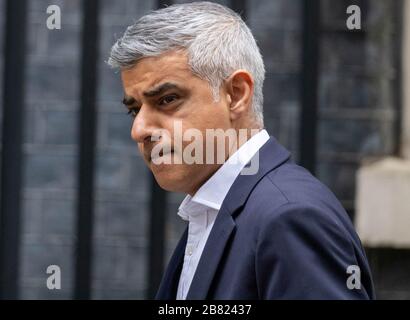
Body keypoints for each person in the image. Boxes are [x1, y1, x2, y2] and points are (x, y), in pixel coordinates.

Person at [108, 1, 375, 299]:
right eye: (134, 110)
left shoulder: (290, 217)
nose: (139, 129)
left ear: (236, 94)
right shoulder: (216, 209)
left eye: (167, 99)